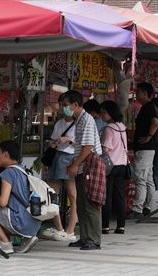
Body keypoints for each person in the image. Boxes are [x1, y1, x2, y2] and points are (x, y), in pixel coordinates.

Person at [60, 90, 106, 251]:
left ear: (75, 104)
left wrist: (75, 164)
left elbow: (88, 147)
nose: (64, 108)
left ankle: (93, 239)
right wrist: (74, 162)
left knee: (90, 202)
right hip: (82, 165)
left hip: (90, 166)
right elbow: (81, 147)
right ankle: (85, 237)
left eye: (65, 105)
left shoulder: (86, 119)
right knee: (81, 203)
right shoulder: (79, 120)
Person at [0, 140, 40, 255]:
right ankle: (26, 237)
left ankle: (5, 243)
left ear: (6, 154)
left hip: (20, 222)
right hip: (34, 224)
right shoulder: (23, 170)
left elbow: (2, 202)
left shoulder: (8, 173)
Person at [43, 111, 79, 242]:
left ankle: (70, 230)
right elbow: (53, 140)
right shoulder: (59, 123)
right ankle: (59, 228)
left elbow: (83, 145)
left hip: (70, 157)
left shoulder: (79, 123)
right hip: (57, 156)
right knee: (51, 194)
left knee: (72, 195)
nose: (64, 108)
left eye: (66, 105)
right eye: (62, 105)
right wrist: (54, 144)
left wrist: (68, 140)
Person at [130, 82, 158, 217]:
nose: (136, 93)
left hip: (145, 148)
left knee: (140, 177)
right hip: (146, 148)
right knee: (148, 179)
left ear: (145, 93)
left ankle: (137, 208)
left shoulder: (149, 107)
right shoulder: (147, 107)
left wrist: (148, 136)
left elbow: (156, 122)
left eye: (138, 91)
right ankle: (150, 205)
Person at [100, 99, 128, 235]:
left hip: (110, 165)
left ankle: (105, 225)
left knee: (107, 196)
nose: (102, 115)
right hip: (122, 164)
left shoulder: (108, 129)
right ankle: (121, 225)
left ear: (111, 113)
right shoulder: (122, 127)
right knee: (119, 196)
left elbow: (105, 148)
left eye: (104, 112)